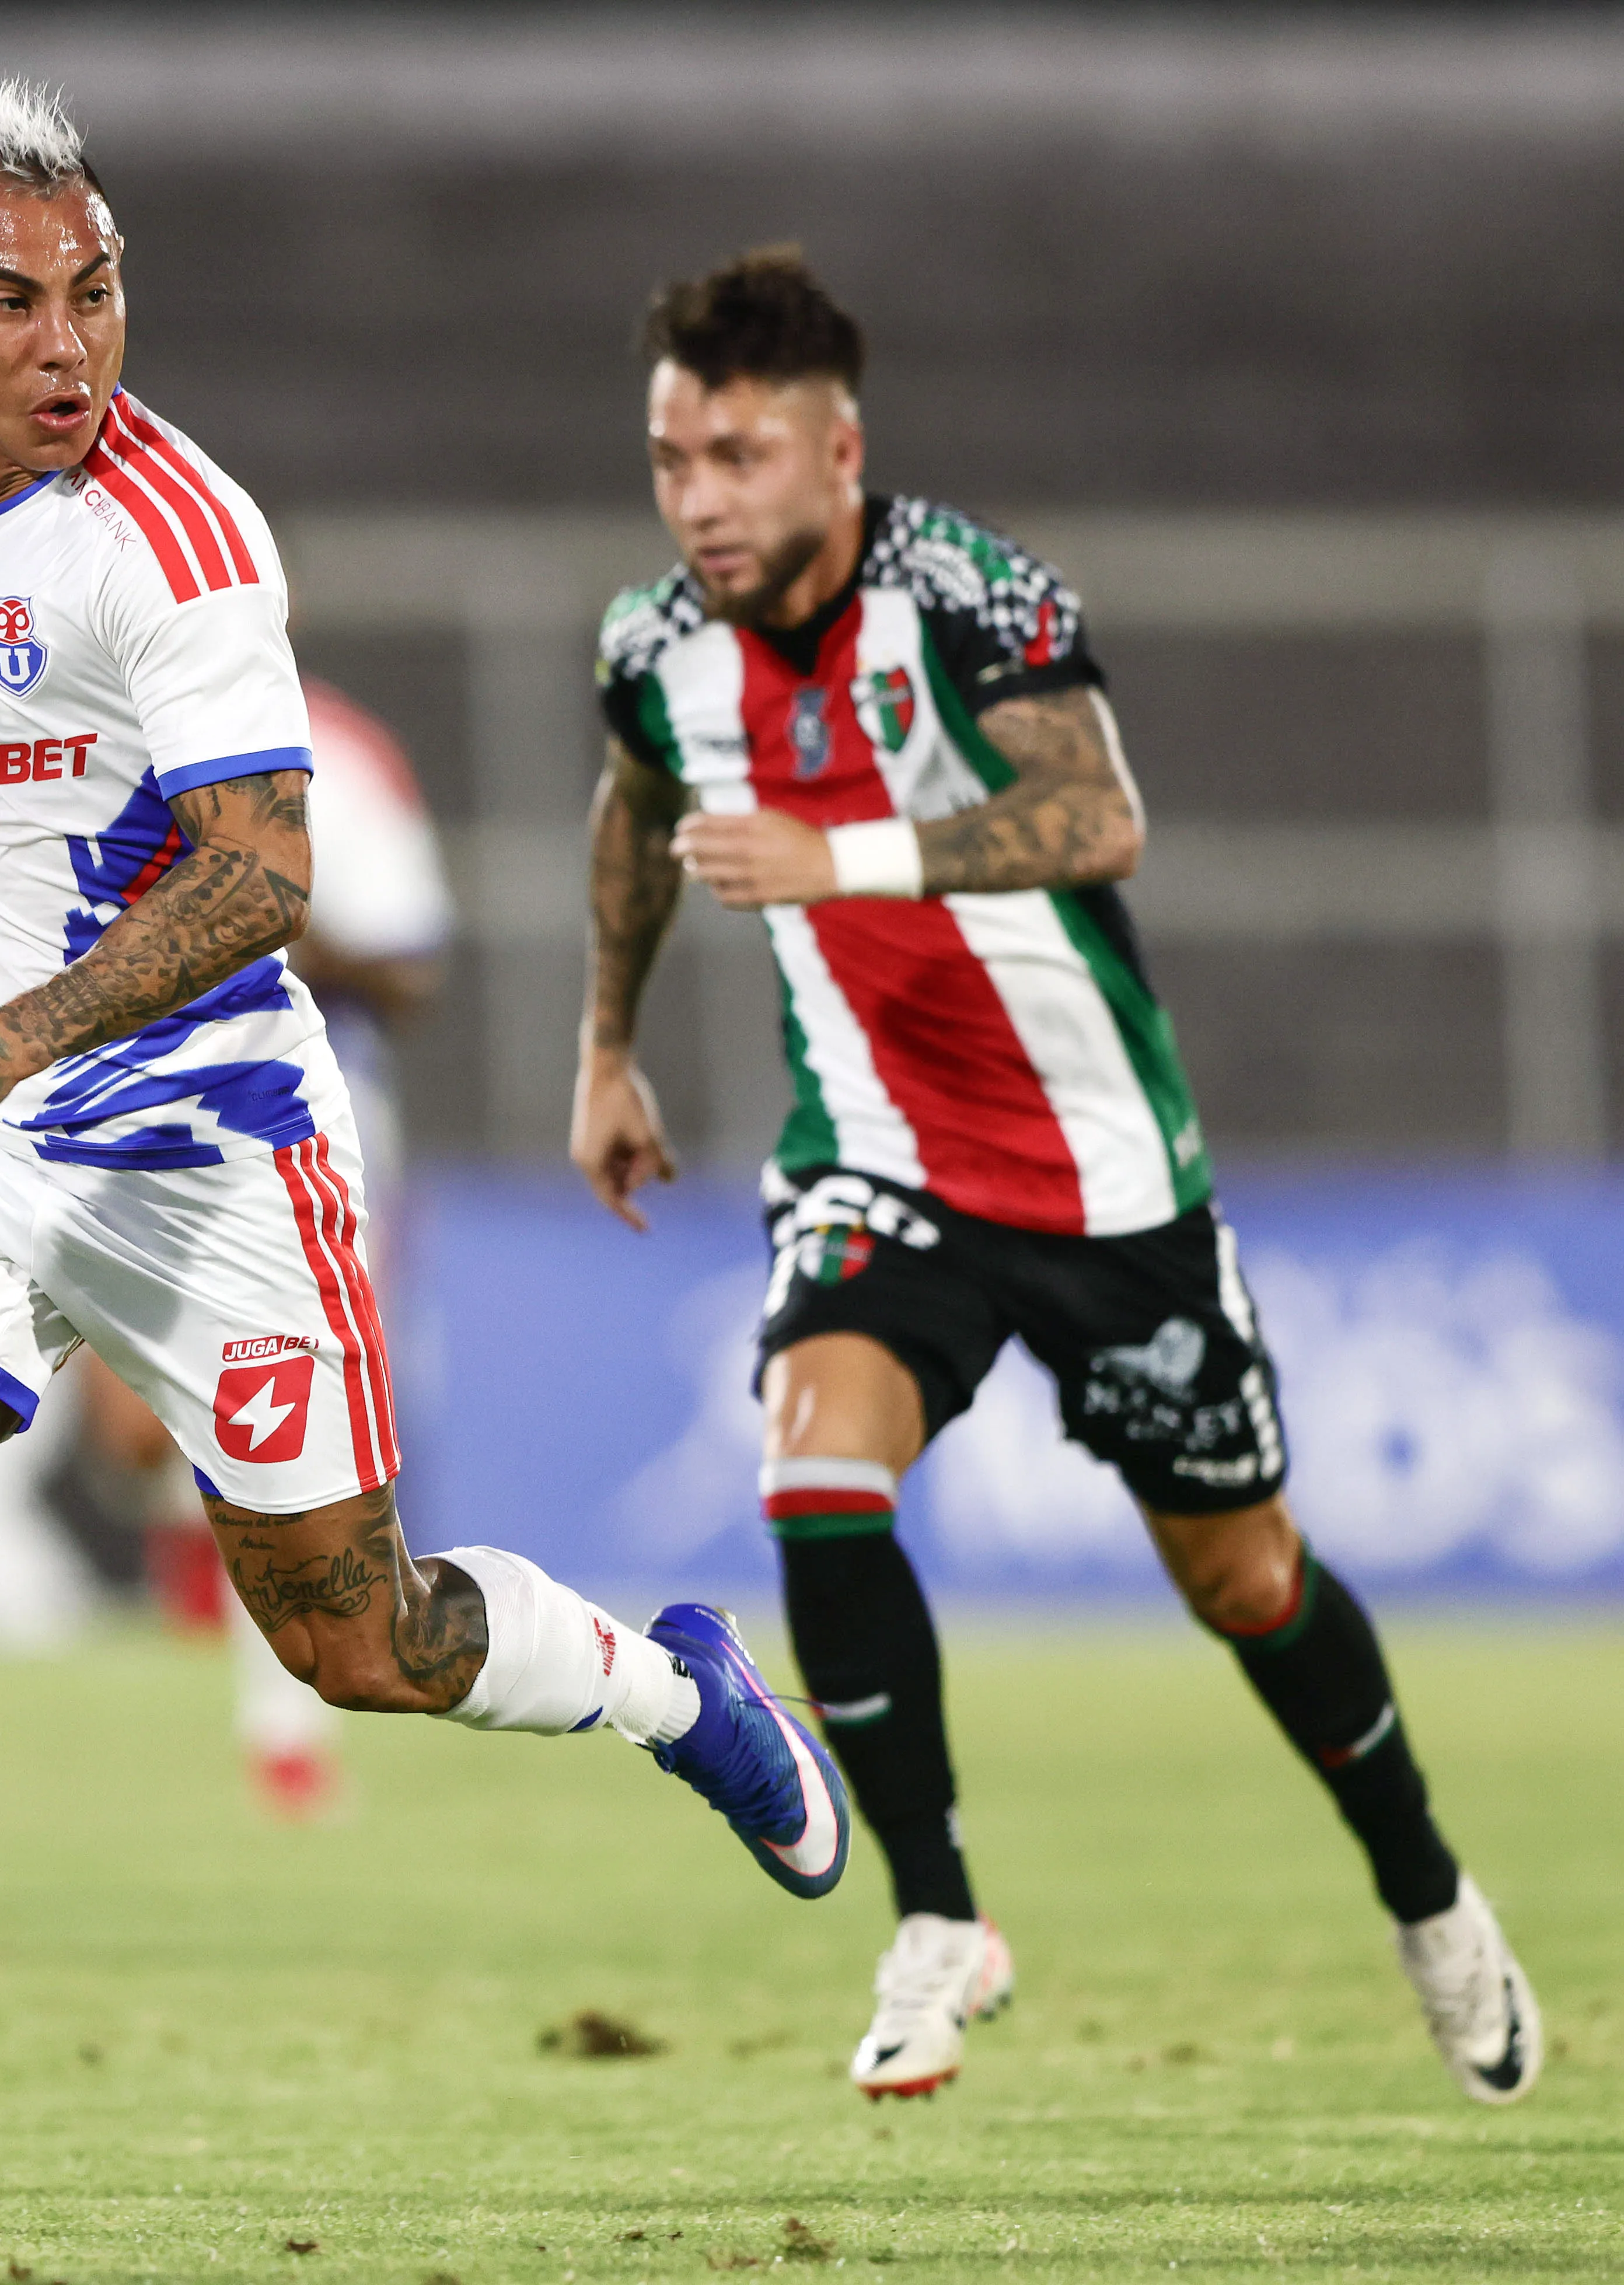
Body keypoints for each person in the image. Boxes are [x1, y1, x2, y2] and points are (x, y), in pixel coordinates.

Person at [0, 88, 850, 2225]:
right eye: (16, 300)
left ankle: (662, 1684)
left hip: (216, 1142)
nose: (71, 342)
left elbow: (262, 879)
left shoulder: (181, 534)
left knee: (361, 1636)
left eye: (100, 291)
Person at [574, 249, 1539, 2106]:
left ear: (835, 452)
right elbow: (635, 807)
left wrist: (832, 855)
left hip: (1102, 1182)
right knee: (813, 1465)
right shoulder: (649, 647)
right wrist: (603, 1044)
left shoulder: (959, 587)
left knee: (1245, 1578)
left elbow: (1097, 814)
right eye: (670, 459)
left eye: (736, 455)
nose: (697, 498)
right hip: (874, 1161)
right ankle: (937, 1915)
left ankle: (1424, 1893)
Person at [81, 675, 456, 1822]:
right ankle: (209, 1569)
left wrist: (268, 912)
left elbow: (408, 966)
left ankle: (283, 1731)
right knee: (135, 1428)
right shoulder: (75, 730)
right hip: (106, 1091)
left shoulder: (338, 754)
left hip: (298, 1101)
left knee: (276, 1395)